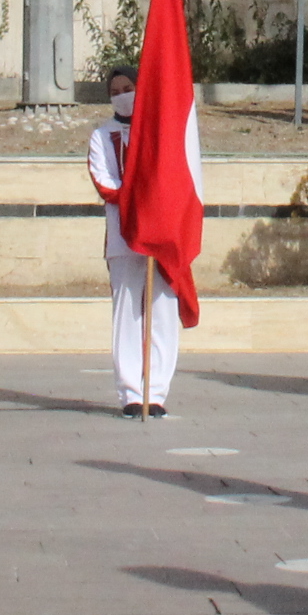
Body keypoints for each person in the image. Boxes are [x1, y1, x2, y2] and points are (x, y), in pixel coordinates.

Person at [88, 64, 181, 415]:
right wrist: (139, 201)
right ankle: (131, 393)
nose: (122, 95)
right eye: (114, 92)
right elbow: (106, 183)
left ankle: (155, 392)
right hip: (123, 236)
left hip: (160, 235)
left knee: (161, 311)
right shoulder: (101, 136)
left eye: (127, 88)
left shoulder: (162, 130)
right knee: (127, 314)